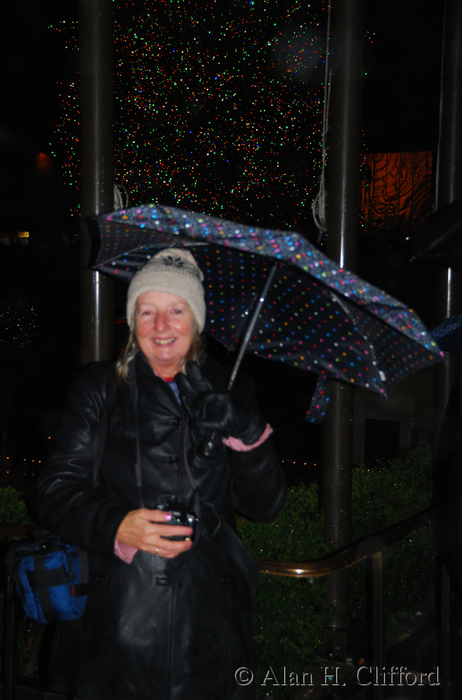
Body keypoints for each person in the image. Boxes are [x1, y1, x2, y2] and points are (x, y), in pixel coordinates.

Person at [36, 248, 286, 700]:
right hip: (116, 619)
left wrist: (245, 429)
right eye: (147, 311)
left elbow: (265, 507)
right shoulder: (99, 389)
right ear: (133, 321)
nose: (161, 326)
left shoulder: (234, 391)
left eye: (176, 310)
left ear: (197, 320)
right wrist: (115, 523)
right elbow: (54, 490)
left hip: (211, 621)